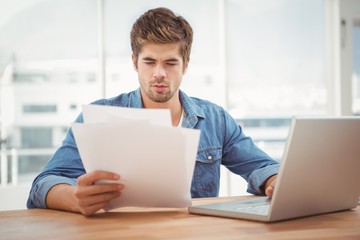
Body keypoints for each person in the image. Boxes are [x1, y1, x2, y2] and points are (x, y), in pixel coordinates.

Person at [27, 7, 279, 216]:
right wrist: (73, 198)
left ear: (185, 65)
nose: (159, 73)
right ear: (135, 62)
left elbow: (263, 166)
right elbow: (43, 183)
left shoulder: (215, 119)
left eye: (170, 63)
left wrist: (274, 181)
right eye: (149, 62)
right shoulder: (98, 117)